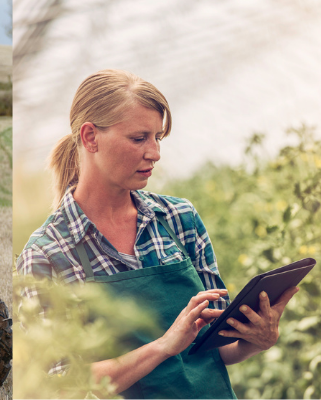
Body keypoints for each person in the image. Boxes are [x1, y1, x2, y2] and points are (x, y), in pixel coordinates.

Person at [18, 69, 298, 398]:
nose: (154, 153)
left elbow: (217, 346)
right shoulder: (48, 254)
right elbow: (60, 385)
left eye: (157, 138)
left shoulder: (179, 219)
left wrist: (254, 340)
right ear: (90, 137)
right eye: (139, 138)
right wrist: (164, 346)